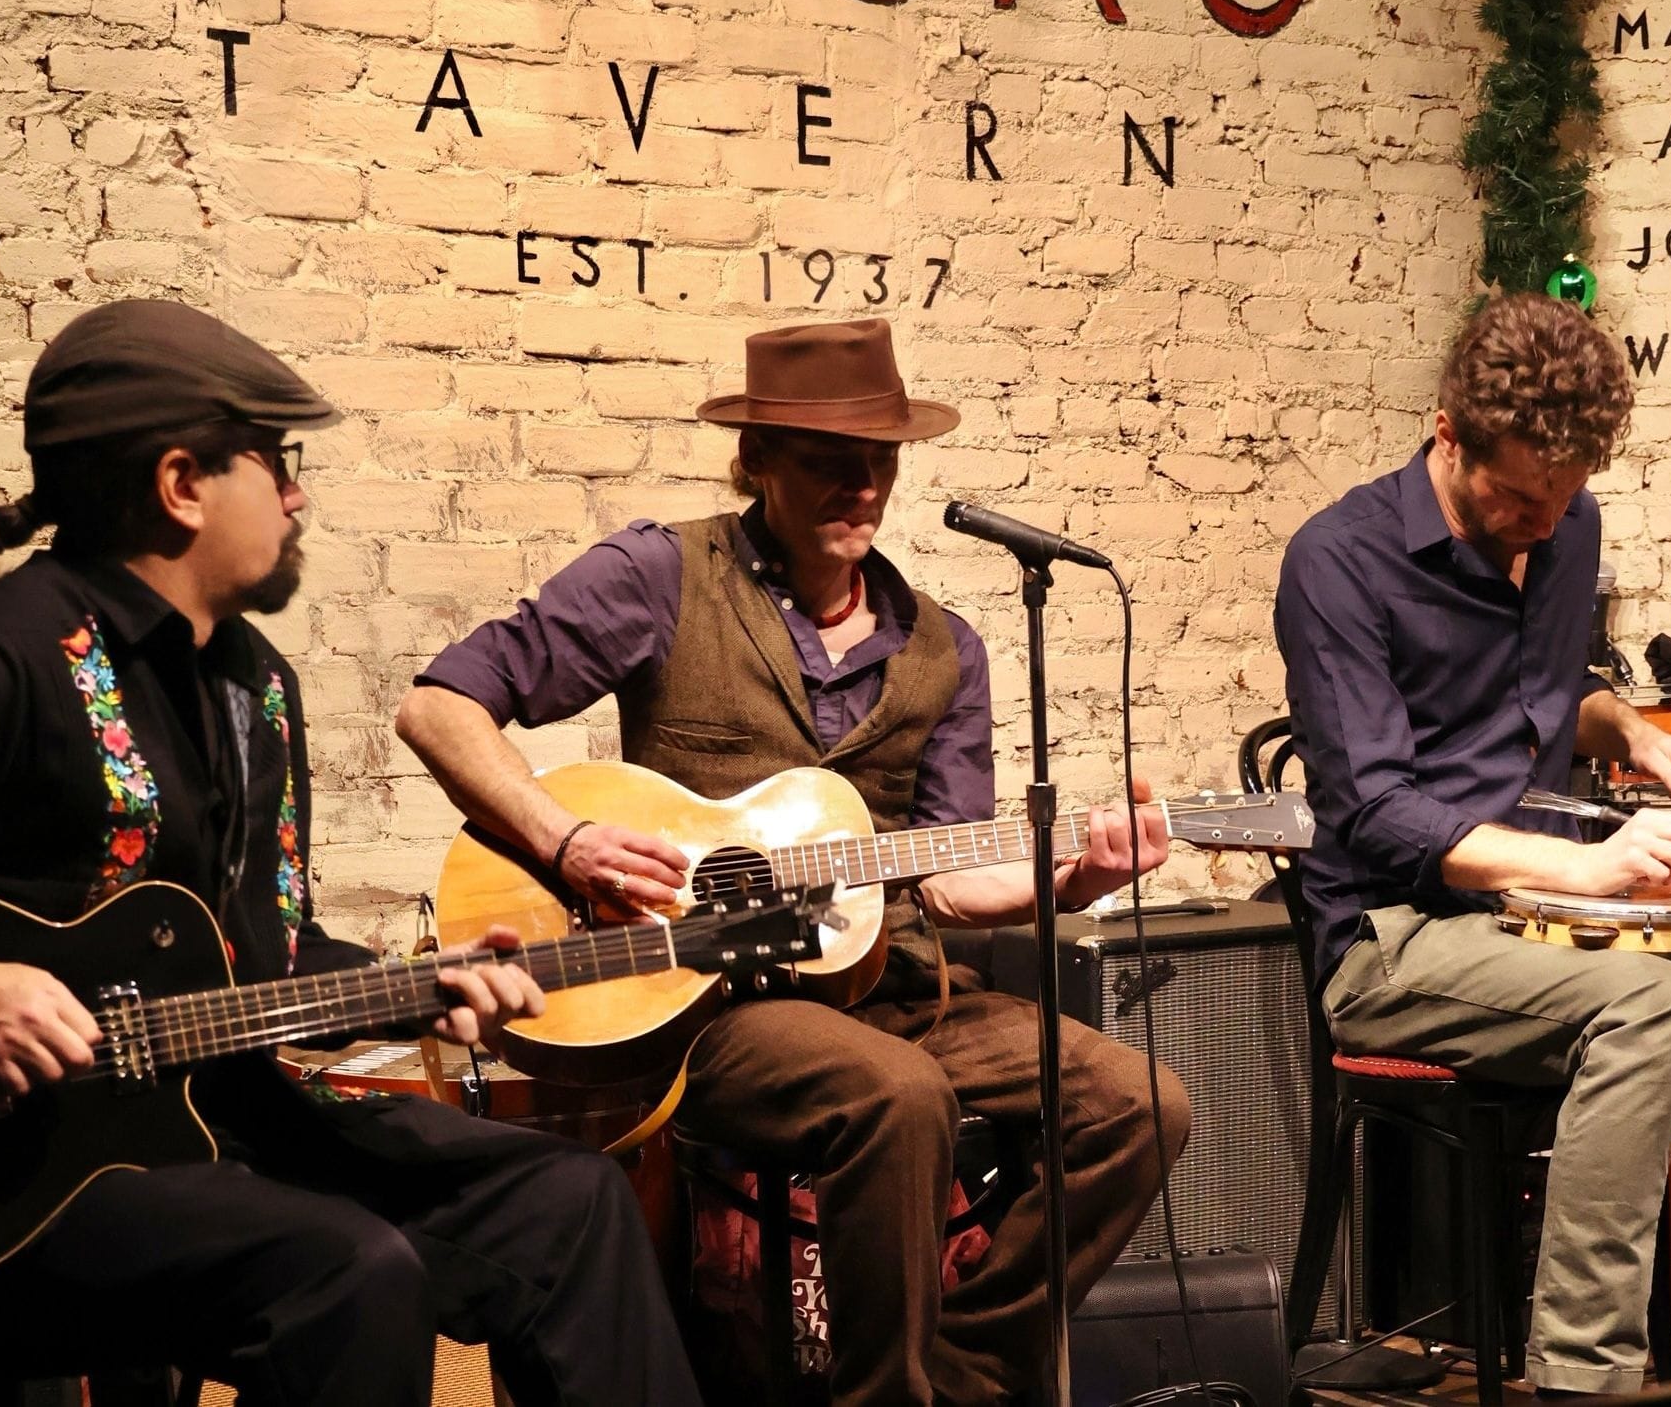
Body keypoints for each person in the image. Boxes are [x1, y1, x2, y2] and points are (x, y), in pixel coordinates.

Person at [0, 300, 701, 1407]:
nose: (299, 492)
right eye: (276, 461)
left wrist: (414, 990)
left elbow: (261, 955)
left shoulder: (254, 689)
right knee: (343, 1275)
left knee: (569, 1204)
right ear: (181, 486)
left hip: (216, 1114)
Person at [397, 316, 1191, 1406]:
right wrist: (566, 839)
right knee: (897, 1098)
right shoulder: (659, 575)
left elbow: (949, 881)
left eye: (881, 463)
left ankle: (960, 1376)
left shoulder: (938, 644)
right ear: (757, 460)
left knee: (1138, 1098)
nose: (861, 488)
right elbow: (439, 707)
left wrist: (1080, 879)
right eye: (829, 461)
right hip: (707, 1001)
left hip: (896, 989)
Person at [1273, 291, 1671, 1397]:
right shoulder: (1338, 563)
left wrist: (1634, 733)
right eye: (1516, 496)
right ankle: (1580, 1379)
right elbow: (1376, 813)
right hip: (1396, 936)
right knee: (1652, 1006)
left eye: (1565, 497)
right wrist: (1583, 866)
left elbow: (1543, 696)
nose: (1542, 524)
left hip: (1544, 923)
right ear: (1446, 432)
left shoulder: (1561, 526)